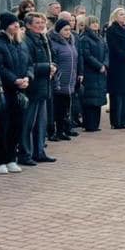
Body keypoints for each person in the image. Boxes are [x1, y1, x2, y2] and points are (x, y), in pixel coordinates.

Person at [0, 13, 29, 174]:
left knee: (17, 125)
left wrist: (28, 76)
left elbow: (29, 63)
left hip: (19, 89)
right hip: (4, 90)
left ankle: (11, 157)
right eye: (13, 24)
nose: (16, 26)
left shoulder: (20, 43)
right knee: (2, 125)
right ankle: (0, 159)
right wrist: (14, 80)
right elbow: (0, 67)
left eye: (17, 24)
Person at [24, 13, 54, 159]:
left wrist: (51, 66)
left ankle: (39, 151)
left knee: (41, 123)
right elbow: (27, 65)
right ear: (28, 25)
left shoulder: (43, 39)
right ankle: (26, 153)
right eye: (37, 23)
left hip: (43, 86)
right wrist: (47, 67)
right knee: (29, 123)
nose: (41, 25)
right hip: (33, 87)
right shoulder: (26, 41)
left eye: (43, 22)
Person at [48, 17, 76, 152]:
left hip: (70, 79)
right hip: (59, 80)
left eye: (69, 29)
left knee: (65, 106)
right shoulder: (54, 44)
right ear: (58, 30)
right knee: (57, 107)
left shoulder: (70, 43)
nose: (68, 32)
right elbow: (54, 61)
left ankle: (63, 129)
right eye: (65, 30)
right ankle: (54, 131)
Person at [105, 8, 125, 130]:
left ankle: (123, 119)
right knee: (116, 93)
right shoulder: (112, 30)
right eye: (121, 14)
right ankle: (116, 121)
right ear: (115, 16)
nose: (124, 16)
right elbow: (114, 46)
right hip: (117, 64)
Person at [78, 17, 108, 132]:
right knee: (90, 99)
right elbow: (86, 55)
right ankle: (89, 124)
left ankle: (95, 124)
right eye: (92, 23)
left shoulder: (100, 37)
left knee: (98, 99)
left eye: (96, 22)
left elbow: (106, 52)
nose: (95, 25)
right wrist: (99, 66)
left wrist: (105, 64)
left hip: (101, 71)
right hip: (91, 71)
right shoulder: (85, 38)